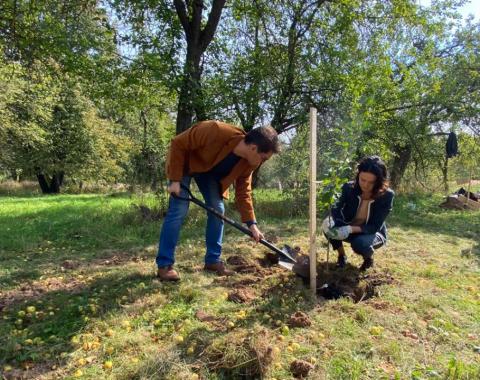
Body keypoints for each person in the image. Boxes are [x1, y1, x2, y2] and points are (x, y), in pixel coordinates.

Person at [156, 120, 280, 281]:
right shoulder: (215, 130)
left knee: (218, 210)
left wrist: (252, 224)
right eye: (264, 158)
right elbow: (178, 143)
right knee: (178, 210)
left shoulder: (248, 163)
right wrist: (175, 180)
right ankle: (164, 265)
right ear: (253, 148)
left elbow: (243, 193)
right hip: (184, 165)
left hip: (210, 175)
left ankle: (212, 261)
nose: (263, 162)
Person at [322, 156, 394, 271]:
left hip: (372, 233)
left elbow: (374, 226)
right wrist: (332, 221)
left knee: (360, 243)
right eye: (362, 180)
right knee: (330, 229)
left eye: (371, 182)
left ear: (379, 182)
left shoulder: (386, 196)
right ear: (358, 175)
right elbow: (336, 208)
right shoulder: (348, 188)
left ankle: (368, 259)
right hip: (348, 226)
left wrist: (350, 229)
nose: (365, 185)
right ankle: (342, 256)